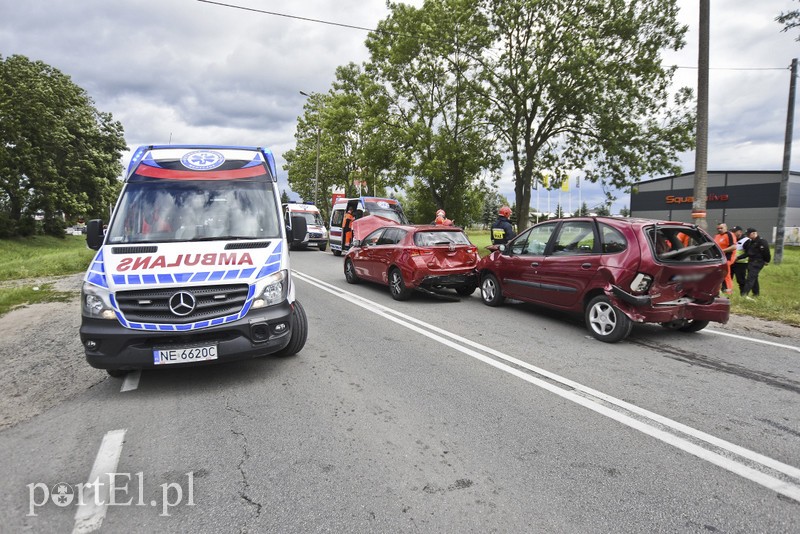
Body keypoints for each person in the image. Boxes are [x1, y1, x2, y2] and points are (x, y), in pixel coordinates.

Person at [740, 228, 770, 300]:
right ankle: (756, 294)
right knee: (754, 278)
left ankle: (744, 294)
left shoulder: (762, 242)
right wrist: (738, 258)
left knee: (750, 278)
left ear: (754, 233)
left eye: (748, 234)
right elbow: (748, 253)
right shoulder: (751, 242)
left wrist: (767, 261)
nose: (748, 236)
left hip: (758, 262)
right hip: (751, 262)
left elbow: (766, 252)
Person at [713, 222, 736, 295]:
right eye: (718, 228)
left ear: (726, 227)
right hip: (719, 258)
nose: (719, 229)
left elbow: (733, 247)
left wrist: (722, 251)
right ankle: (720, 290)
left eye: (721, 228)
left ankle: (728, 291)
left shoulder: (729, 234)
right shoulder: (717, 236)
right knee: (718, 274)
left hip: (727, 258)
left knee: (725, 274)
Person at [730, 225, 753, 295]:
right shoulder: (731, 239)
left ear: (740, 232)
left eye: (734, 232)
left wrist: (738, 258)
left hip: (741, 263)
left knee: (741, 280)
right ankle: (727, 293)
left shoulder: (746, 240)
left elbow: (749, 253)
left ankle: (743, 294)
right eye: (732, 232)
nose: (732, 233)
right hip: (731, 262)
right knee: (728, 279)